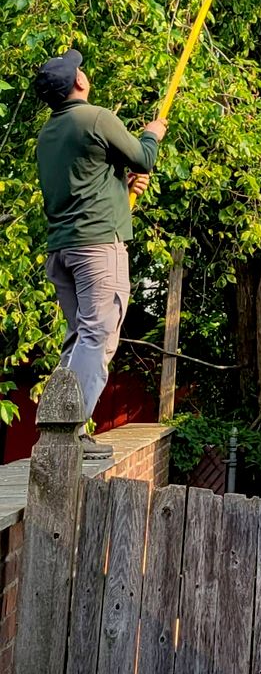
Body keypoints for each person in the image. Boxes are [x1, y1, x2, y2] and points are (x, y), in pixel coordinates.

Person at [34, 47, 167, 428]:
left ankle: (58, 421)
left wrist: (118, 188)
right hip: (96, 248)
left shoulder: (48, 135)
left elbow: (78, 186)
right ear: (79, 81)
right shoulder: (95, 118)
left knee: (79, 337)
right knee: (98, 336)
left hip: (62, 250)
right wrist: (152, 135)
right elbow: (143, 157)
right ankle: (69, 426)